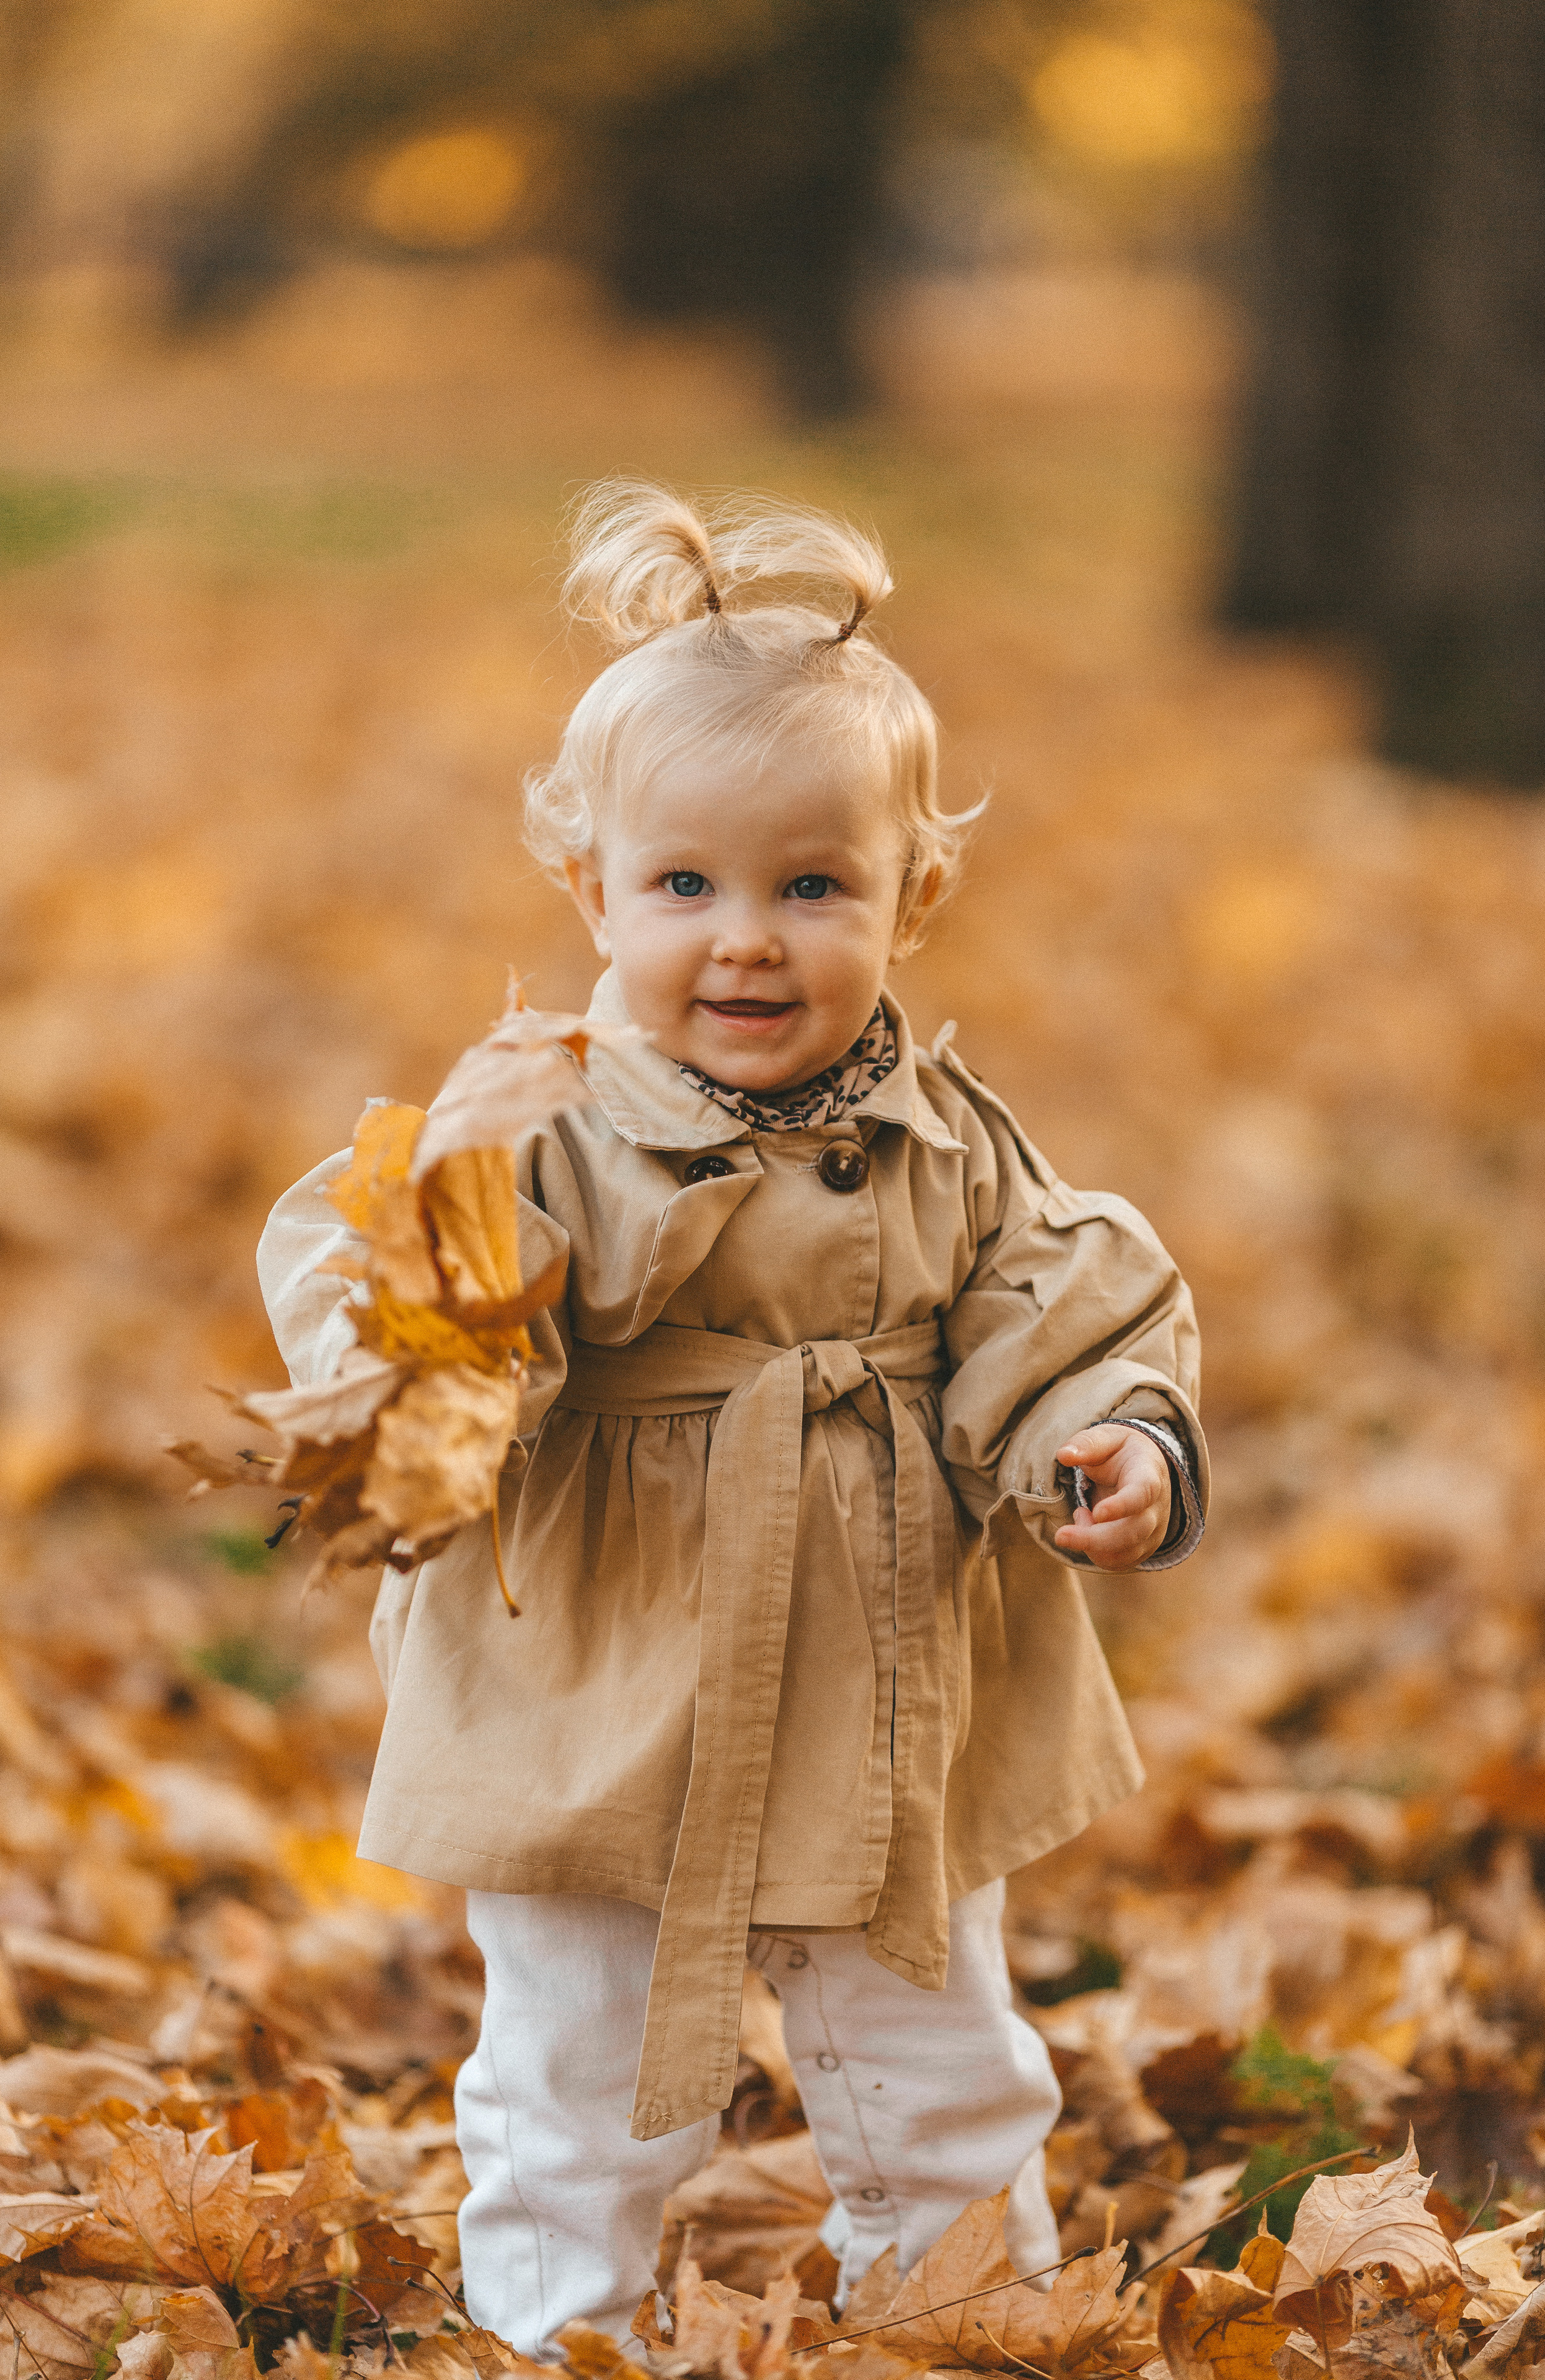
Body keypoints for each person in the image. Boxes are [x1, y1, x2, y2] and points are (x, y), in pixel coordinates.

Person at [257, 484, 1208, 2355]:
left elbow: (1065, 1304)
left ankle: (960, 2316)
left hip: (885, 1676)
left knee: (941, 2060)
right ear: (589, 889)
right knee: (581, 2077)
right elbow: (377, 1255)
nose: (746, 943)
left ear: (910, 895)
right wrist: (432, 1353)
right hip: (604, 1678)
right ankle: (563, 2331)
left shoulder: (950, 1142)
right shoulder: (537, 1118)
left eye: (812, 886)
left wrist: (1108, 1438)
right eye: (684, 886)